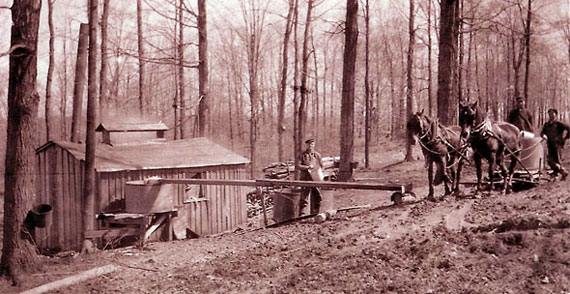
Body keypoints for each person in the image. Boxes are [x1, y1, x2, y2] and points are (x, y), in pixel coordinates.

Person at [296, 138, 324, 216]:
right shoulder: (302, 155)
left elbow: (322, 166)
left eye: (312, 144)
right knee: (304, 197)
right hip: (305, 178)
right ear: (307, 145)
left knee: (317, 196)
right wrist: (307, 167)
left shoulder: (317, 155)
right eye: (309, 144)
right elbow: (298, 165)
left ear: (314, 145)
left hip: (315, 179)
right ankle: (302, 214)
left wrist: (319, 171)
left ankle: (315, 212)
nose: (310, 146)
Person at [540, 108, 570, 180]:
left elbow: (569, 128)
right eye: (549, 114)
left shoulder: (559, 124)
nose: (551, 115)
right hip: (549, 145)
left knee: (557, 160)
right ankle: (560, 172)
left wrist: (565, 138)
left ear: (555, 115)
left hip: (557, 145)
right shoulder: (546, 125)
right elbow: (542, 133)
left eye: (552, 114)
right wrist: (543, 135)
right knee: (550, 160)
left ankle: (562, 174)